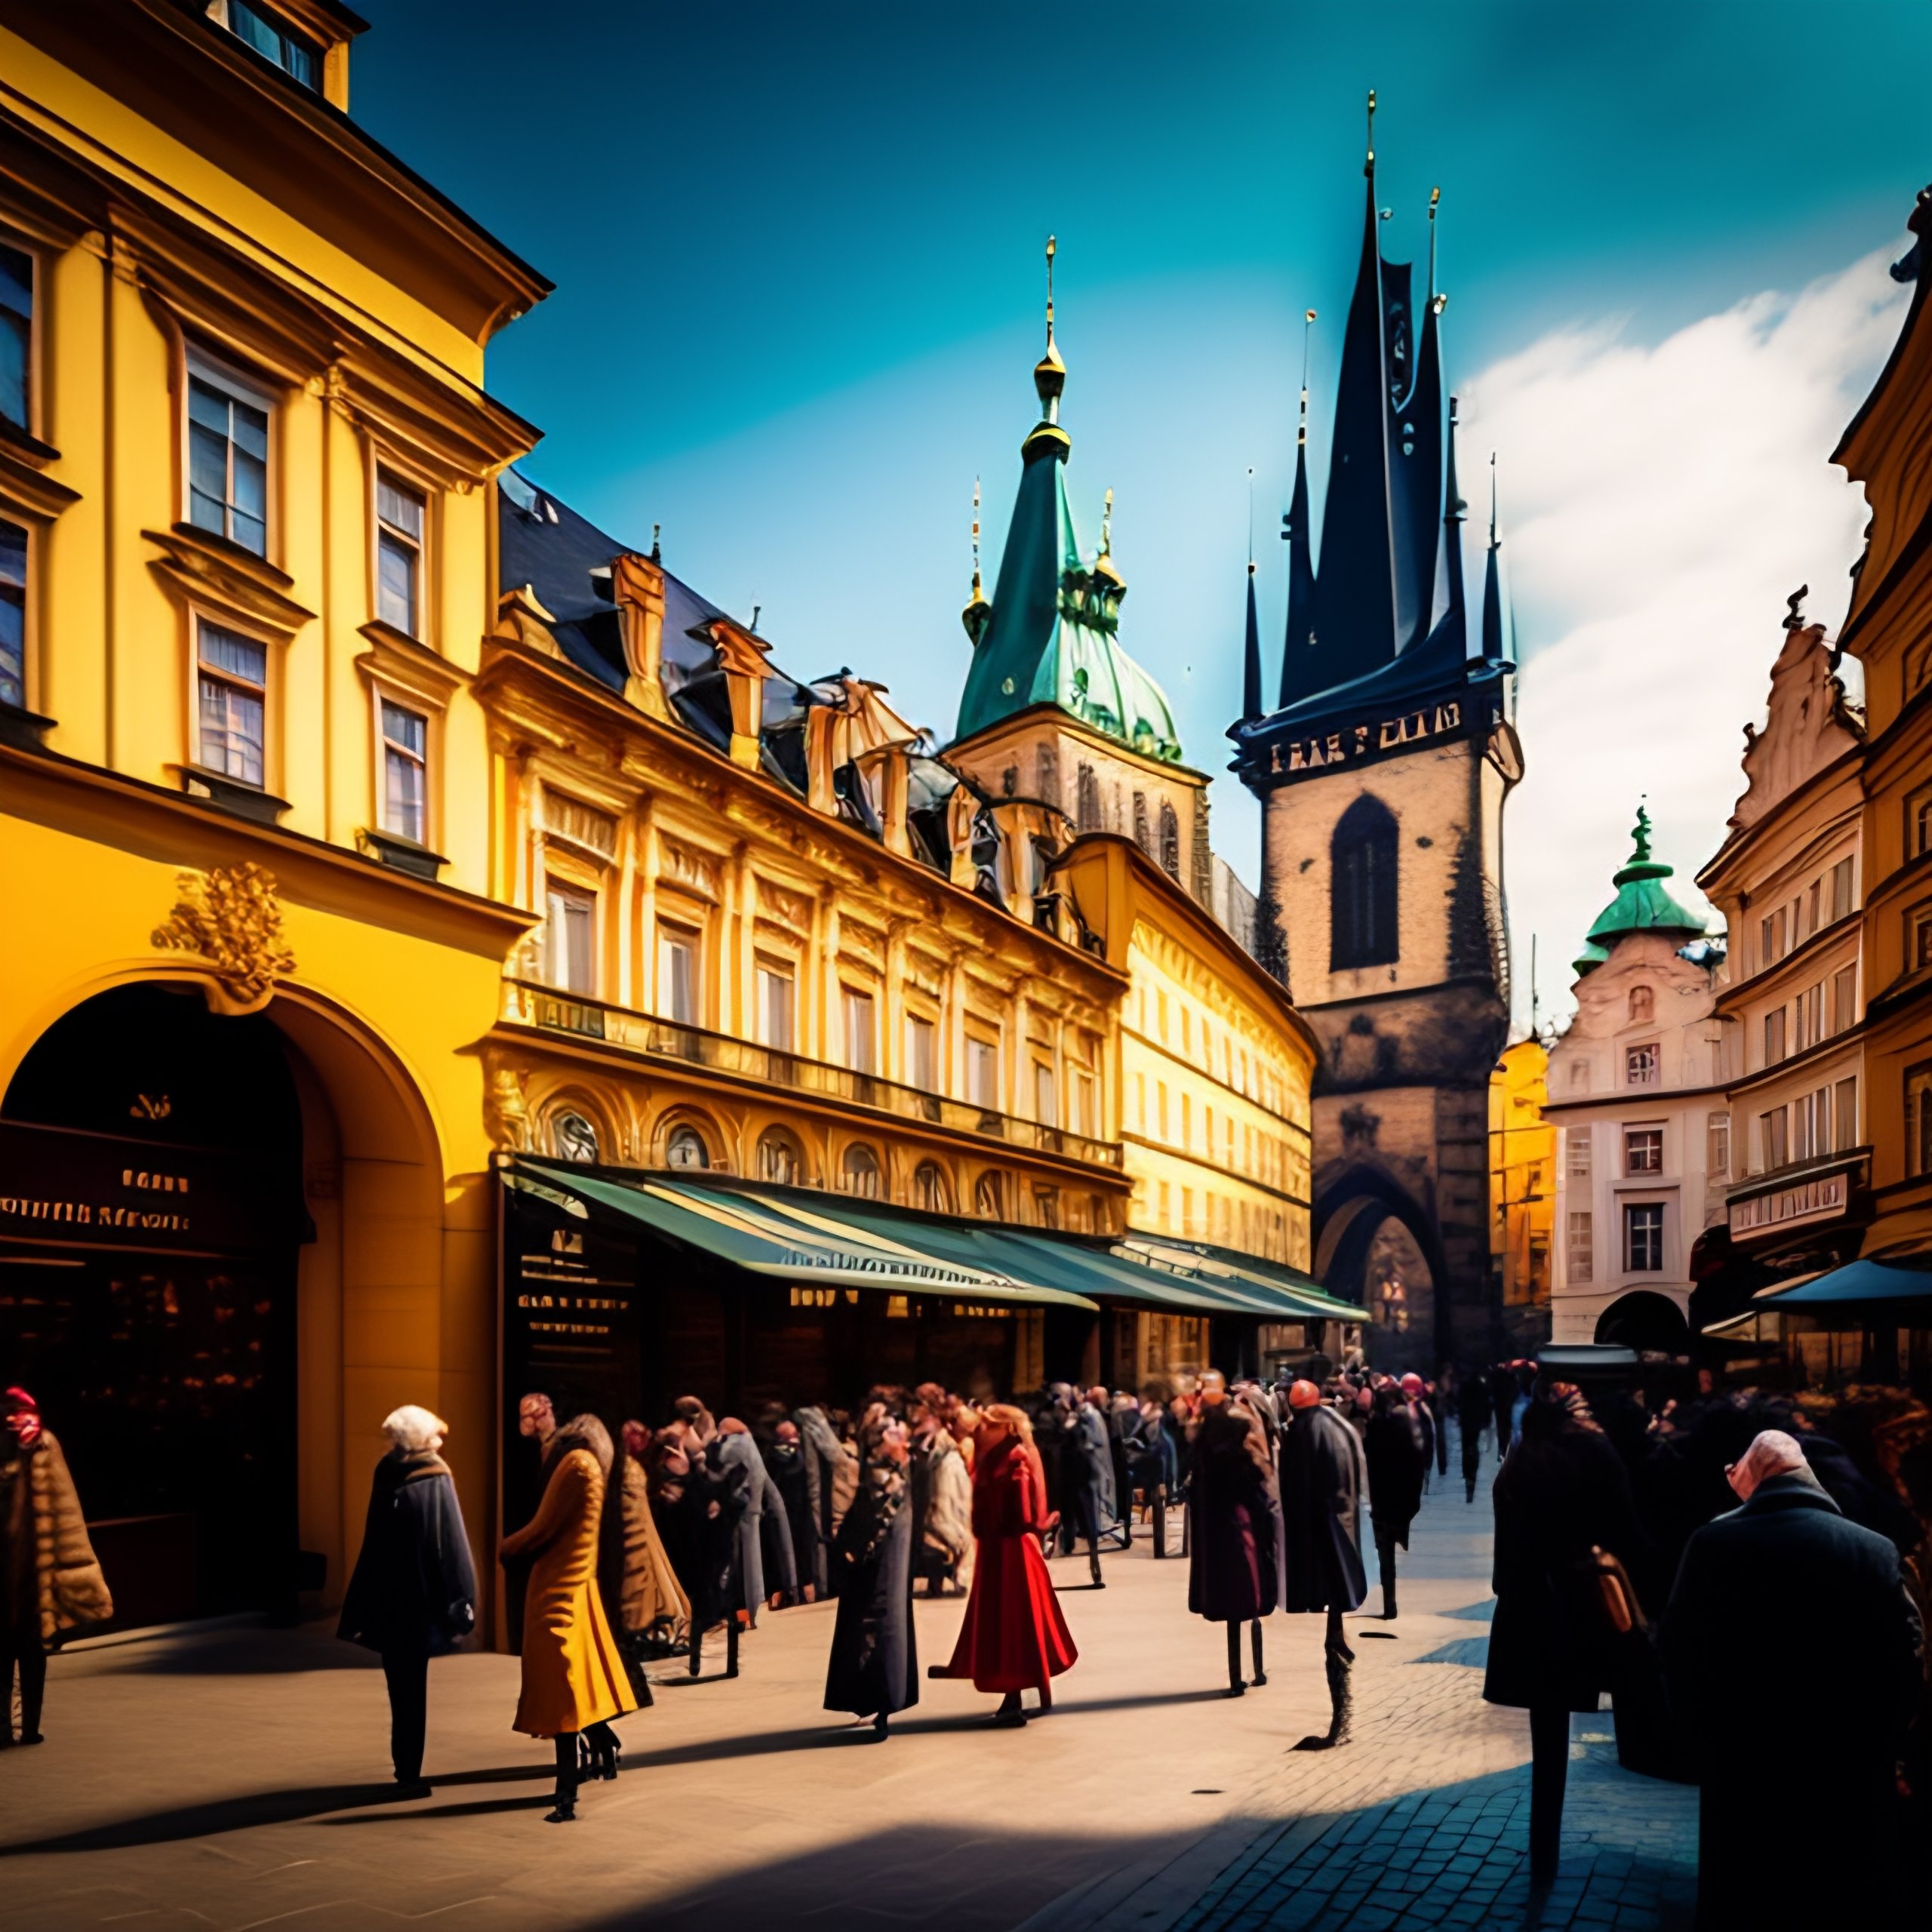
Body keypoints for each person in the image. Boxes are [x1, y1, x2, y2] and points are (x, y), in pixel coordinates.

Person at [1663, 1429, 1922, 1927]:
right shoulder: (1873, 1549)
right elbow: (1906, 1655)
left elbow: (1679, 1649)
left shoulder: (1713, 1543)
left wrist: (1700, 1741)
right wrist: (1885, 1743)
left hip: (1743, 1763)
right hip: (1847, 1763)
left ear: (1753, 1476)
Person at [1484, 1371, 1652, 1881]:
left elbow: (1503, 1550)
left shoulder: (1520, 1456)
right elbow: (1627, 1533)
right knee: (1632, 1700)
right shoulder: (1596, 1452)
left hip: (1529, 1608)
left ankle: (1543, 1847)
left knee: (1547, 1733)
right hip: (1585, 1605)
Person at [500, 1412, 637, 1823]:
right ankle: (605, 1748)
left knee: (562, 1692)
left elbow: (542, 1528)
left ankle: (565, 1795)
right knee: (574, 1685)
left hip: (556, 1591)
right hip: (575, 1588)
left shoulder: (575, 1465)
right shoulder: (592, 1464)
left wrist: (503, 1548)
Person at [337, 1405, 476, 1793]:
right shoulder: (435, 1476)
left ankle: (405, 1768)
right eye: (435, 1433)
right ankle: (409, 1773)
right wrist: (463, 1598)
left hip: (387, 1597)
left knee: (400, 1686)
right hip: (420, 1601)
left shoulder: (386, 1470)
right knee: (413, 1687)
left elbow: (373, 1537)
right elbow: (451, 1544)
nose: (441, 1440)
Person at [930, 1402, 1077, 1724]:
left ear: (1005, 1427)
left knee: (1014, 1622)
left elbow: (1023, 1512)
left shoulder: (1013, 1456)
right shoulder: (999, 1455)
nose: (980, 1429)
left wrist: (998, 1525)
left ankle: (1013, 1699)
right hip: (1001, 1547)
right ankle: (1019, 1692)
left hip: (1012, 1549)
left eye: (988, 1424)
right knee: (1009, 1621)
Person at [1, 1388, 111, 1747]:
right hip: (22, 1570)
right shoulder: (35, 1446)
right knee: (20, 1652)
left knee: (26, 1651)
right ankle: (17, 1727)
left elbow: (65, 1512)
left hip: (31, 1573)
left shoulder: (42, 1446)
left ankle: (24, 1726)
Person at [1279, 1379, 1367, 1749]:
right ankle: (1341, 1722)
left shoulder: (1302, 1432)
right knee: (1336, 1628)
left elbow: (1295, 1493)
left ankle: (1341, 1723)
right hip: (1346, 1536)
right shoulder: (1339, 1426)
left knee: (1334, 1637)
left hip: (1323, 1543)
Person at [823, 1416, 919, 1737]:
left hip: (887, 1563)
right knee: (865, 1629)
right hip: (867, 1560)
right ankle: (873, 1701)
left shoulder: (901, 1467)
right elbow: (845, 1511)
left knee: (883, 1629)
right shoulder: (860, 1466)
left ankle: (884, 1703)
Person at [1185, 1371, 1280, 1695]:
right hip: (1239, 1526)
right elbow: (1260, 1481)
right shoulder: (1231, 1438)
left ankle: (1240, 1674)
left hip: (1221, 1529)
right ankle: (1250, 1671)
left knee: (1234, 1606)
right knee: (1247, 1601)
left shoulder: (1208, 1439)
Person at [615, 1420, 690, 1676]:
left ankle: (652, 1635)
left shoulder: (633, 1465)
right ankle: (649, 1635)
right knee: (647, 1584)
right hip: (638, 1534)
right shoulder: (629, 1465)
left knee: (652, 1584)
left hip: (643, 1532)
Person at [712, 1416, 795, 1622]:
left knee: (729, 1560)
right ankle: (757, 1607)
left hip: (734, 1508)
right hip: (752, 1506)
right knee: (751, 1557)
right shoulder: (751, 1445)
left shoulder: (734, 1445)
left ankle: (724, 1608)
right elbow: (773, 1493)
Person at [1365, 1383, 1426, 1620]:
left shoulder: (1374, 1429)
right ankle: (1390, 1601)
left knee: (1385, 1554)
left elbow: (1368, 1466)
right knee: (1389, 1550)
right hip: (1399, 1500)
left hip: (1380, 1500)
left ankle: (1388, 1601)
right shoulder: (1405, 1430)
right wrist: (1413, 1501)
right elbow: (1417, 1465)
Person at [909, 1401, 972, 1596]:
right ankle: (947, 1581)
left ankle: (949, 1581)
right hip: (944, 1481)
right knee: (944, 1530)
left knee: (944, 1529)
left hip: (945, 1482)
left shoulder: (944, 1443)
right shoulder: (944, 1444)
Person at [1457, 1372, 1493, 1503]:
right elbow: (1488, 1405)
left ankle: (1467, 1474)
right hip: (1476, 1422)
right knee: (1474, 1445)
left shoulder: (1464, 1386)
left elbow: (1459, 1403)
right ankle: (1472, 1474)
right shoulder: (1483, 1388)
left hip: (1466, 1421)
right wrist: (1486, 1420)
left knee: (1466, 1446)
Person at [1487, 1361, 1518, 1460]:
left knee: (1501, 1428)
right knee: (1506, 1428)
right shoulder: (1510, 1375)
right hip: (1506, 1404)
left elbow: (1490, 1388)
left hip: (1500, 1404)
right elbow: (1515, 1388)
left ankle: (1502, 1450)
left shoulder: (1495, 1374)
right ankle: (1505, 1451)